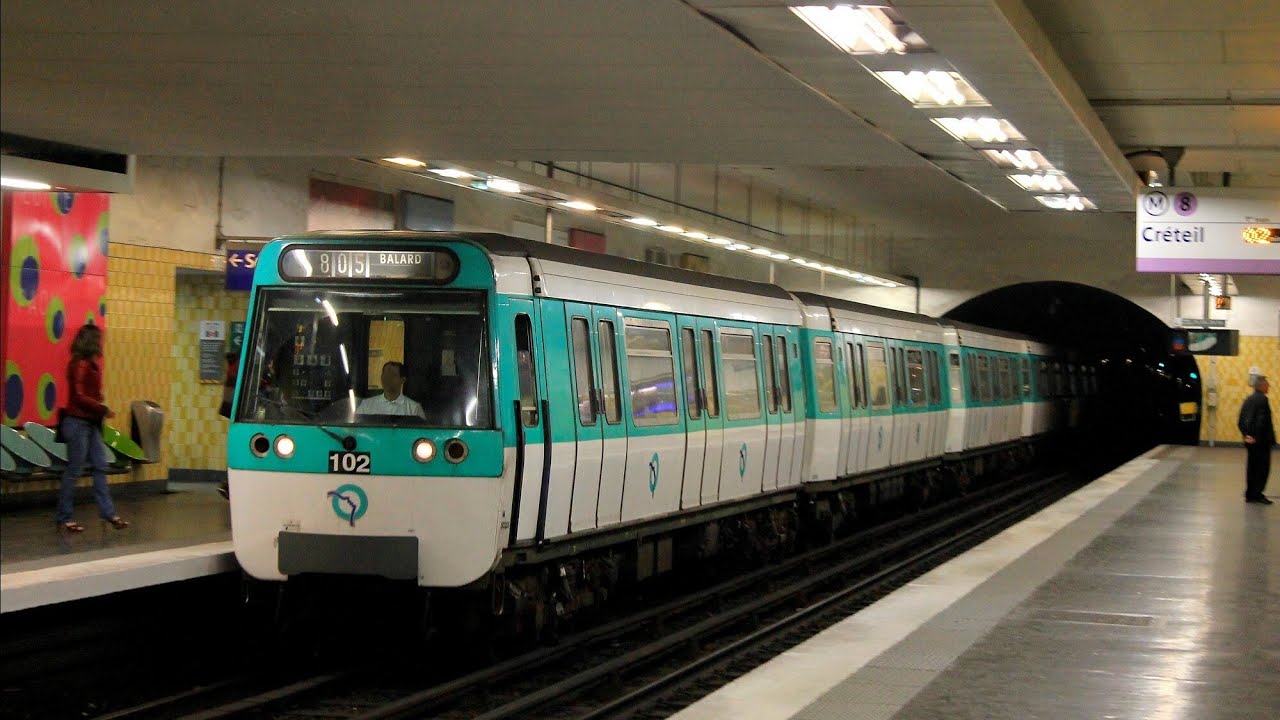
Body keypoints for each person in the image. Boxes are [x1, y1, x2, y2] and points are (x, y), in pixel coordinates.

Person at [57, 324, 129, 531]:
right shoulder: (80, 364)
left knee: (100, 466)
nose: (101, 342)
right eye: (98, 339)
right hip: (77, 422)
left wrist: (98, 402)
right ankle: (65, 516)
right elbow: (79, 396)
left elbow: (86, 392)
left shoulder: (90, 363)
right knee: (75, 470)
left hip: (90, 422)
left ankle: (109, 513)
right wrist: (102, 407)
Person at [1237, 368, 1274, 505]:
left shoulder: (1249, 399)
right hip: (1261, 442)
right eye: (1267, 384)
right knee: (1262, 468)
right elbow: (1261, 422)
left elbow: (1241, 420)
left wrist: (1246, 435)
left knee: (1252, 468)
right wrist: (1256, 437)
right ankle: (1258, 494)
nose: (1269, 386)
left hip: (1251, 441)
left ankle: (1250, 494)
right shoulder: (1262, 400)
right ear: (1262, 386)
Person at [356, 361, 426, 419]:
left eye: (393, 375)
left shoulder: (414, 409)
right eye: (385, 375)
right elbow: (354, 430)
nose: (388, 379)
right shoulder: (366, 405)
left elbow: (422, 433)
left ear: (403, 380)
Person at [217, 351, 239, 500]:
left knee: (237, 445)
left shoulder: (236, 364)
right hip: (239, 412)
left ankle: (229, 484)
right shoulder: (240, 364)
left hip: (233, 411)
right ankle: (231, 485)